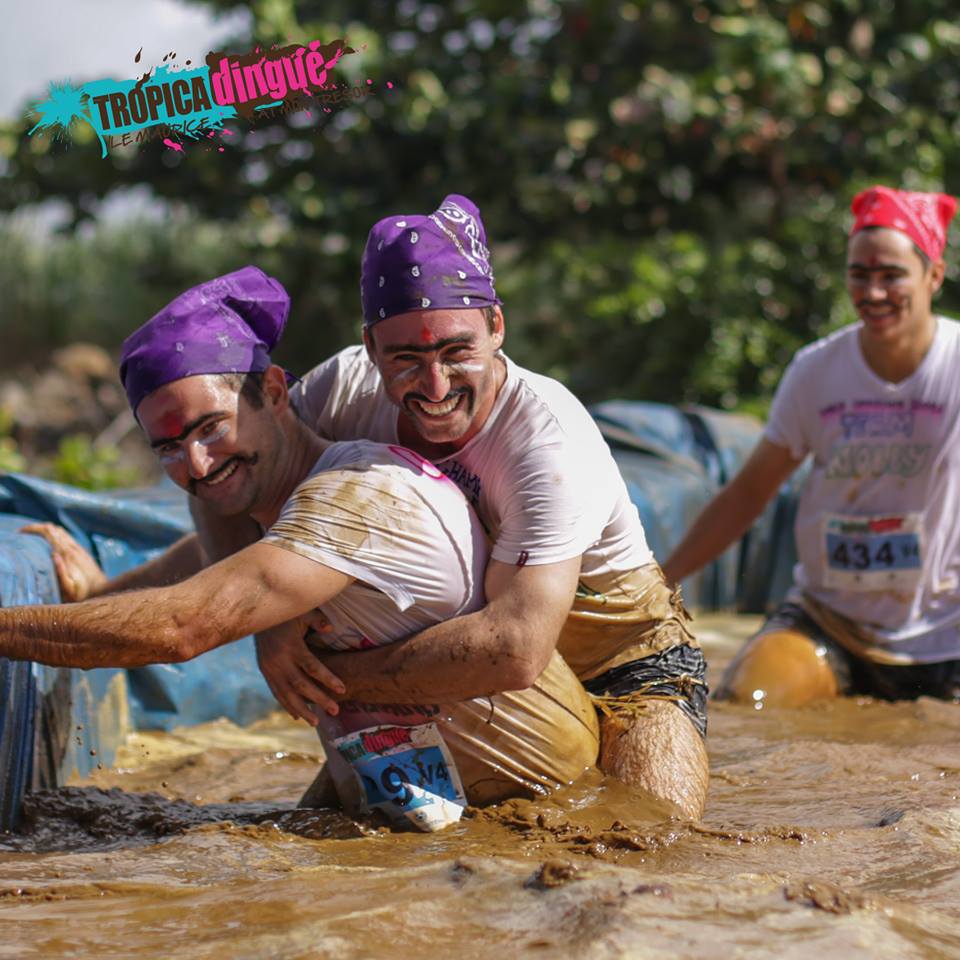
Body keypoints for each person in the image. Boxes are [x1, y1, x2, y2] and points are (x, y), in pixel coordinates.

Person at [11, 266, 600, 831]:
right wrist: (102, 592)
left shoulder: (356, 498)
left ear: (274, 392)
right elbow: (212, 563)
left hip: (547, 817)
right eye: (167, 448)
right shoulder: (286, 516)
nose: (196, 464)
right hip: (448, 808)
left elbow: (183, 624)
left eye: (212, 428)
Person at [223, 195, 710, 818]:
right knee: (311, 842)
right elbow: (230, 473)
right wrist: (263, 624)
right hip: (442, 661)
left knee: (649, 843)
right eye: (406, 358)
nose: (434, 387)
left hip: (618, 665)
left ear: (498, 327)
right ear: (370, 346)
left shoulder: (547, 439)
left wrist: (322, 674)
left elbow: (514, 648)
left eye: (457, 351)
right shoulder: (341, 390)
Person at [663, 185, 960, 707]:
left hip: (946, 632)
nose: (871, 293)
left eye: (891, 275)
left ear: (933, 275)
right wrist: (661, 582)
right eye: (859, 274)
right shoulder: (816, 372)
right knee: (749, 702)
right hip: (829, 623)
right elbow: (749, 493)